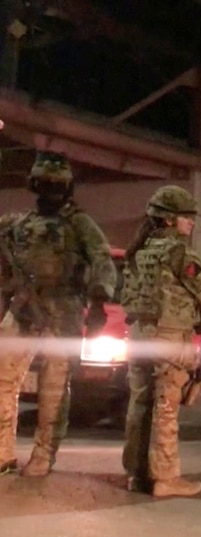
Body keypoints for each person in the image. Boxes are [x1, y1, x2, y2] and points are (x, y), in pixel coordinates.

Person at [0, 151, 116, 477]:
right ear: (34, 185)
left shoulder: (79, 225)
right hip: (23, 307)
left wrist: (98, 303)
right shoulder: (16, 224)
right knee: (3, 380)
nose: (51, 191)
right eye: (45, 184)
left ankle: (43, 455)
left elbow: (102, 262)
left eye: (57, 185)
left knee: (53, 385)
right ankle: (2, 453)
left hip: (62, 309)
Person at [121, 185, 201, 497]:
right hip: (169, 338)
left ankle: (136, 474)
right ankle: (164, 478)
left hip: (139, 338)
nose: (190, 224)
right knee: (165, 407)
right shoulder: (179, 252)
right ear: (168, 220)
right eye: (186, 218)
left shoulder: (137, 252)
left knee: (139, 405)